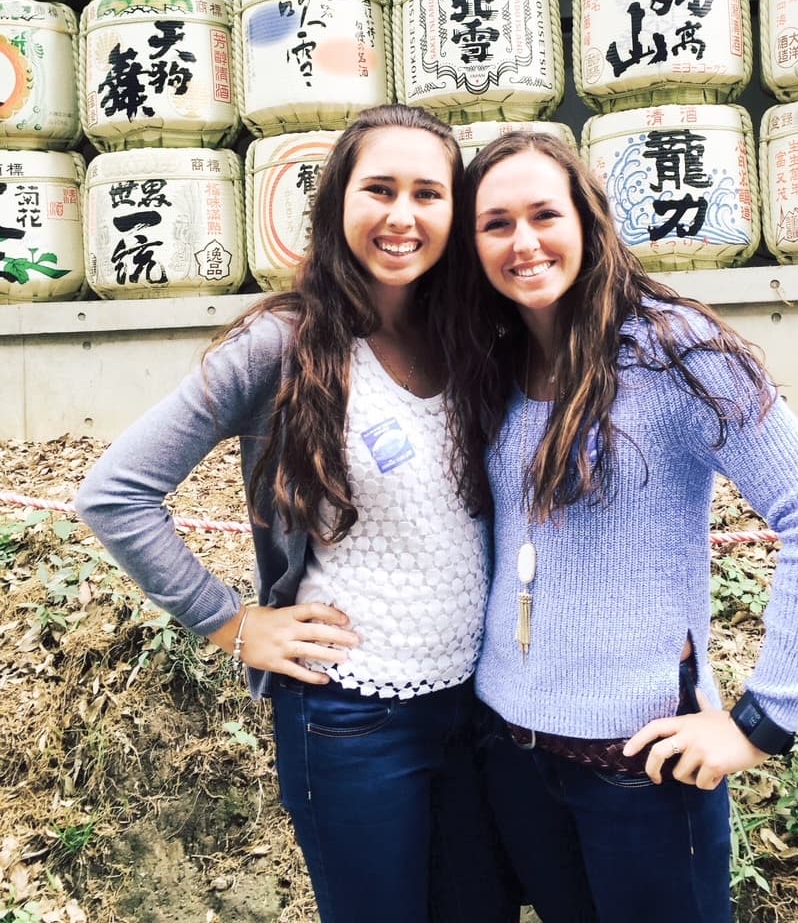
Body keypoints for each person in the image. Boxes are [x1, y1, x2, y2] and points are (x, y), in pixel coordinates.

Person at [75, 104, 517, 923]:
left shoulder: (472, 339)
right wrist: (232, 624)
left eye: (428, 194)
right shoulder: (282, 343)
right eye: (379, 189)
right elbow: (115, 492)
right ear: (338, 199)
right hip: (351, 715)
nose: (402, 215)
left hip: (475, 706)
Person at [451, 131, 798, 923]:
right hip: (513, 753)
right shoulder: (492, 362)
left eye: (545, 214)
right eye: (496, 224)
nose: (523, 242)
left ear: (588, 220)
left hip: (642, 766)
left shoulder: (675, 350)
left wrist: (762, 723)